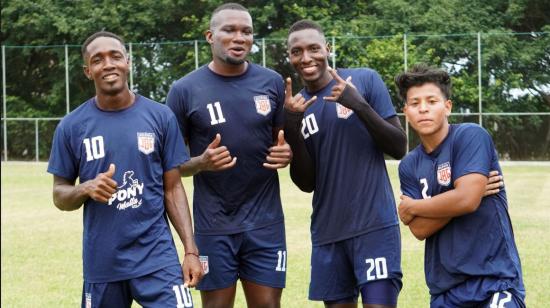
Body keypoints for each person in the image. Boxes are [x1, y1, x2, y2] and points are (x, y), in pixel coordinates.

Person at [47, 31, 203, 308]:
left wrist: (190, 251)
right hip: (103, 263)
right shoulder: (71, 126)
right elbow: (60, 195)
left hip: (157, 258)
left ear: (127, 62)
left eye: (115, 56)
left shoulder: (160, 116)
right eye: (98, 59)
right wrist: (86, 187)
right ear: (87, 71)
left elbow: (173, 188)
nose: (108, 64)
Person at [166, 3, 291, 308]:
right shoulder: (183, 90)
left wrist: (288, 153)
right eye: (229, 30)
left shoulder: (271, 82)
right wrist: (200, 163)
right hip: (213, 224)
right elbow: (170, 168)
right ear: (210, 36)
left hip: (266, 222)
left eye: (246, 31)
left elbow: (283, 144)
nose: (239, 37)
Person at [284, 19, 407, 308]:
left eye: (314, 48)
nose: (306, 58)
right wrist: (292, 127)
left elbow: (399, 147)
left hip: (374, 227)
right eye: (297, 51)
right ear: (289, 57)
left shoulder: (363, 80)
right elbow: (306, 183)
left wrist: (359, 104)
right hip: (328, 233)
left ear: (327, 48)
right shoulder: (295, 107)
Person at [395, 64, 525, 307]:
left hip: (494, 282)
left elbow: (468, 199)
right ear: (406, 112)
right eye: (414, 103)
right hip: (446, 292)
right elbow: (420, 230)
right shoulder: (409, 165)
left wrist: (415, 206)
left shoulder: (470, 136)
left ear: (447, 107)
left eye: (432, 101)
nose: (423, 108)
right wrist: (459, 197)